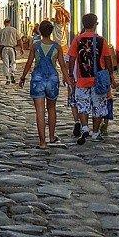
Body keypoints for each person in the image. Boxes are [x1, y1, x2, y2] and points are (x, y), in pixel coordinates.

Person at [19, 20, 72, 149]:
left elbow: (29, 62)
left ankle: (42, 142)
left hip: (38, 78)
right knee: (52, 108)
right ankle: (52, 136)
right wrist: (68, 79)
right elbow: (63, 65)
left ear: (40, 32)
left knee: (40, 111)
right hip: (52, 79)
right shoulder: (57, 46)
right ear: (51, 31)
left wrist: (23, 77)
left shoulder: (36, 46)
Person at [68, 13, 118, 145]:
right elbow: (108, 60)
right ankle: (95, 132)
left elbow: (72, 58)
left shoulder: (77, 40)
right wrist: (110, 75)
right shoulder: (101, 40)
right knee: (99, 106)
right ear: (95, 24)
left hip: (82, 80)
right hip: (98, 81)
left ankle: (84, 127)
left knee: (83, 105)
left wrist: (70, 74)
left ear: (83, 24)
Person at [53, 4, 80, 136]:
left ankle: (77, 121)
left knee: (73, 97)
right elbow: (67, 17)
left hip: (61, 46)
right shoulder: (63, 25)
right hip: (64, 46)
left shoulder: (57, 25)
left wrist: (67, 75)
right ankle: (85, 124)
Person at [0, 19, 22, 84]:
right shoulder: (14, 30)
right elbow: (19, 40)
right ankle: (12, 74)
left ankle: (7, 79)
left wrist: (0, 52)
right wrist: (21, 48)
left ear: (4, 23)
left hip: (4, 48)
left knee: (5, 63)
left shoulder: (1, 31)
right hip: (12, 48)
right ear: (10, 23)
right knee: (13, 62)